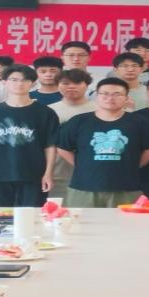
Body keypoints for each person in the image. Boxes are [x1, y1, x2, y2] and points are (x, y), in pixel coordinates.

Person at [57, 78, 149, 208]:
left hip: (126, 188)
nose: (110, 98)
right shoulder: (79, 121)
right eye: (105, 93)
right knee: (82, 221)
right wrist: (80, 165)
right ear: (96, 97)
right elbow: (63, 148)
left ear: (126, 98)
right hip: (83, 187)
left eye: (117, 94)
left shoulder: (139, 122)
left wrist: (134, 164)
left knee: (126, 221)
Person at [0, 65, 59, 207]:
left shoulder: (45, 113)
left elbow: (50, 146)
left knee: (31, 216)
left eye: (25, 80)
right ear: (4, 82)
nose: (19, 83)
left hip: (33, 175)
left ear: (32, 83)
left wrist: (48, 173)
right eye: (14, 80)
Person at [48, 68, 97, 199]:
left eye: (77, 83)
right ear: (57, 85)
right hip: (57, 173)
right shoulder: (48, 111)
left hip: (91, 172)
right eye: (65, 83)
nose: (71, 87)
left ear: (87, 85)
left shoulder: (99, 109)